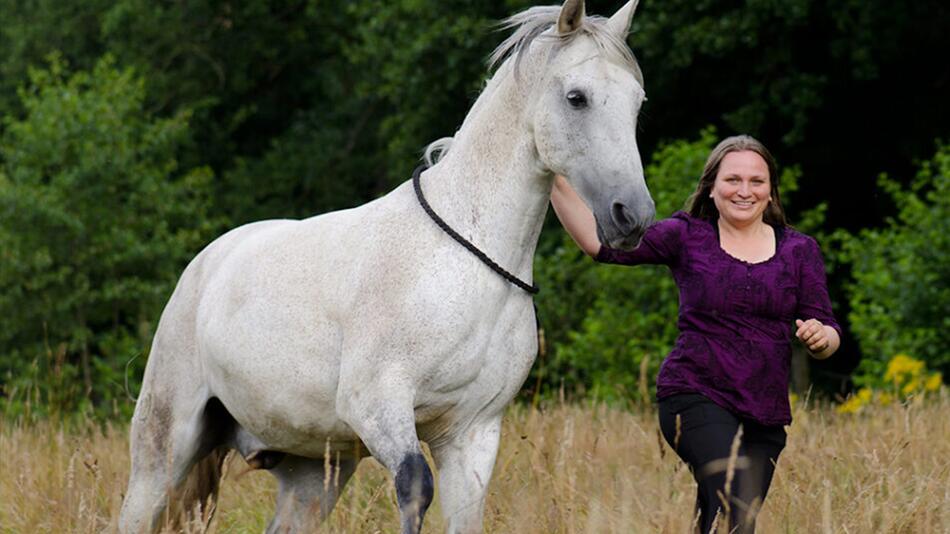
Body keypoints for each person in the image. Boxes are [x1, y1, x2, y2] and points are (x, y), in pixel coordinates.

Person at [549, 135, 840, 533]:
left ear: (771, 191)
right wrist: (551, 177)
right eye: (732, 179)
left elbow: (826, 325)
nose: (744, 191)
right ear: (711, 187)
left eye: (756, 181)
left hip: (764, 414)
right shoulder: (687, 235)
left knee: (727, 525)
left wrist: (822, 337)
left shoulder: (799, 250)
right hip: (694, 394)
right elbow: (601, 244)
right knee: (734, 501)